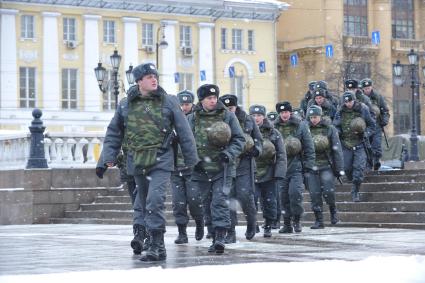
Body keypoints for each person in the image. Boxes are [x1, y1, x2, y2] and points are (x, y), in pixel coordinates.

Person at [99, 63, 198, 262]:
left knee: (155, 201)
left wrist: (192, 160)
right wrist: (106, 159)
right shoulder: (126, 104)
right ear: (139, 81)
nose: (154, 79)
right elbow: (114, 133)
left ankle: (155, 244)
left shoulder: (168, 101)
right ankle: (155, 245)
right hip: (137, 160)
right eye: (149, 76)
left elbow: (185, 131)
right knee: (143, 203)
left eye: (155, 76)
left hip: (161, 159)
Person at [187, 84, 245, 254]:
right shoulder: (192, 118)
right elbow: (186, 142)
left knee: (219, 200)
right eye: (209, 98)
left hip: (223, 167)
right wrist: (193, 160)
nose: (213, 101)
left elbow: (239, 139)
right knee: (206, 203)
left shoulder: (227, 116)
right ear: (202, 100)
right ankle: (212, 233)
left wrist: (228, 153)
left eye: (214, 98)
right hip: (201, 168)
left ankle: (220, 237)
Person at [219, 94, 263, 243]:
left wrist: (256, 150)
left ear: (236, 107)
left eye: (231, 108)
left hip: (244, 164)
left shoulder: (247, 119)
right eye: (226, 108)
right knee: (228, 198)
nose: (229, 111)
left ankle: (252, 223)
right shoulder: (220, 118)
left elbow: (258, 139)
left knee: (245, 197)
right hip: (227, 164)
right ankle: (230, 232)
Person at [274, 101, 315, 234]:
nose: (284, 115)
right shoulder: (274, 127)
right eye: (281, 112)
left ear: (290, 112)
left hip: (296, 166)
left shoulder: (300, 125)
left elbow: (309, 146)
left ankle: (297, 220)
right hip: (280, 168)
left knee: (295, 194)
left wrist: (308, 165)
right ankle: (286, 223)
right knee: (283, 197)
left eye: (286, 112)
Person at [172, 90, 204, 245]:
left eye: (187, 104)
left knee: (194, 200)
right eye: (182, 104)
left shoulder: (198, 119)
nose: (184, 107)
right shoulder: (171, 118)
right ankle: (182, 232)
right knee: (178, 203)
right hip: (175, 167)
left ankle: (199, 222)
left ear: (192, 104)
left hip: (192, 167)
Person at [250, 104, 287, 238]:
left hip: (269, 172)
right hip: (251, 172)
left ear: (264, 116)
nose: (256, 118)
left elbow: (281, 154)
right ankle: (252, 224)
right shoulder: (246, 131)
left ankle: (268, 224)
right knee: (251, 201)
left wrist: (279, 173)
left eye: (259, 115)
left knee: (270, 201)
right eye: (253, 116)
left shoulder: (273, 132)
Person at [306, 105, 344, 228]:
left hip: (326, 165)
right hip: (312, 167)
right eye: (311, 117)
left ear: (320, 116)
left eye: (315, 117)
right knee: (314, 194)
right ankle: (319, 220)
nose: (313, 119)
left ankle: (333, 212)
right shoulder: (305, 129)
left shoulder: (329, 129)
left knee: (328, 192)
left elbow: (337, 150)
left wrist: (338, 169)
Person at [333, 92, 375, 202]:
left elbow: (372, 125)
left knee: (359, 169)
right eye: (346, 102)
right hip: (346, 144)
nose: (348, 104)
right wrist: (337, 132)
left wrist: (365, 133)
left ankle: (355, 191)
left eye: (350, 101)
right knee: (347, 168)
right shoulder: (340, 111)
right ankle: (353, 180)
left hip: (360, 143)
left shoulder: (363, 109)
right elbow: (335, 126)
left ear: (354, 100)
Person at [360, 78, 390, 170]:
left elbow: (385, 111)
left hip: (377, 125)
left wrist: (384, 120)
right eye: (365, 88)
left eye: (368, 88)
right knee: (367, 146)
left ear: (371, 87)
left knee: (376, 146)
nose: (367, 90)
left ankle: (376, 161)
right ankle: (369, 164)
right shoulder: (360, 98)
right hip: (365, 126)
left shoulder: (378, 97)